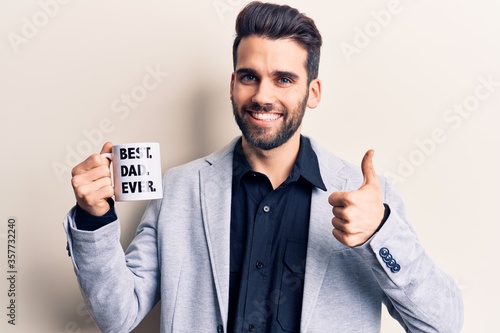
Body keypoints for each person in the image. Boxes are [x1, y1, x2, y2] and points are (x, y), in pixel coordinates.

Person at [64, 2, 464, 332]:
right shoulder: (181, 189)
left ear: (313, 92)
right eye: (250, 77)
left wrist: (379, 233)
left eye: (284, 79)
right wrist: (93, 219)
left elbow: (442, 325)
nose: (262, 95)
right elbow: (117, 315)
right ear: (233, 83)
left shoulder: (364, 197)